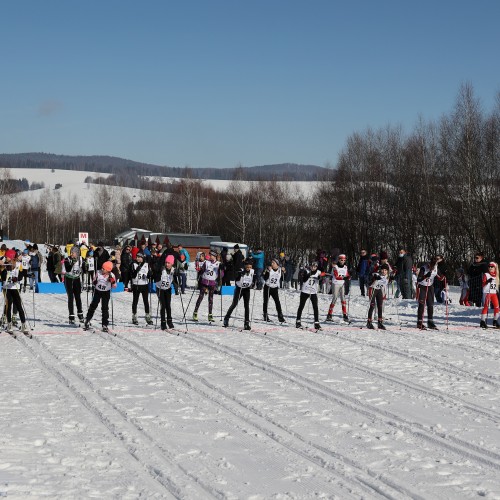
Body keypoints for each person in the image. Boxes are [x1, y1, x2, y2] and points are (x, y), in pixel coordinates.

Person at [1, 249, 29, 334]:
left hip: (15, 287)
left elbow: (21, 275)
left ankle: (23, 324)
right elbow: (2, 277)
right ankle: (9, 324)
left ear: (12, 257)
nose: (6, 258)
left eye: (7, 256)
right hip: (7, 288)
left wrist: (16, 278)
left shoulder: (18, 264)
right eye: (6, 256)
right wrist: (4, 270)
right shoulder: (4, 264)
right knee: (8, 306)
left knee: (19, 306)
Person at [84, 261, 117, 333]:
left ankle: (105, 324)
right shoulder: (98, 273)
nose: (102, 269)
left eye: (104, 269)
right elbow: (93, 281)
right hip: (98, 292)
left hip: (106, 292)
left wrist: (112, 282)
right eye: (102, 268)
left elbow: (114, 286)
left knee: (105, 308)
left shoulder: (111, 275)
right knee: (93, 306)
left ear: (108, 270)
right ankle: (87, 320)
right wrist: (94, 282)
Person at [223, 258, 256, 330]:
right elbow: (235, 279)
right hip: (239, 289)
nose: (248, 268)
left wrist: (254, 283)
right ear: (245, 266)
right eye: (247, 267)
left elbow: (253, 279)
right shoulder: (240, 270)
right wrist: (240, 275)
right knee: (234, 304)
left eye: (250, 267)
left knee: (246, 306)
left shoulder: (252, 271)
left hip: (246, 289)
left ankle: (246, 323)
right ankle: (226, 318)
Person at [416, 256, 445, 330]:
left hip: (430, 287)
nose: (431, 267)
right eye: (430, 265)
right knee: (422, 304)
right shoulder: (423, 268)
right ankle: (419, 322)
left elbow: (440, 277)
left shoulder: (435, 268)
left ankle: (430, 321)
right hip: (422, 286)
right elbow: (418, 279)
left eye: (433, 265)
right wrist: (425, 276)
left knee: (430, 304)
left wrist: (444, 276)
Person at [192, 250, 220, 322]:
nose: (209, 256)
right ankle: (195, 312)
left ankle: (210, 315)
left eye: (211, 255)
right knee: (200, 297)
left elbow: (221, 274)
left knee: (210, 299)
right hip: (204, 282)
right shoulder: (206, 262)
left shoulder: (218, 264)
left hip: (212, 283)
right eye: (210, 255)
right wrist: (199, 270)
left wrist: (222, 271)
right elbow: (202, 270)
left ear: (214, 256)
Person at [295, 261, 322, 330]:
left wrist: (320, 277)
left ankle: (316, 323)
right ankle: (298, 321)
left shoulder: (318, 272)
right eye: (312, 266)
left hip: (313, 292)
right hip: (305, 291)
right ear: (310, 266)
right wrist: (309, 274)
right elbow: (303, 280)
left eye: (315, 266)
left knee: (315, 307)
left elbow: (320, 279)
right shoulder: (306, 271)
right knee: (301, 306)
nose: (313, 268)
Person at [62, 246, 84, 325]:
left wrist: (86, 266)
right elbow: (67, 269)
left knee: (78, 297)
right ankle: (71, 316)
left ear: (77, 253)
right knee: (71, 297)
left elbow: (83, 269)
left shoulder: (81, 259)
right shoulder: (67, 259)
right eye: (71, 252)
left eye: (73, 252)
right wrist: (72, 262)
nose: (71, 254)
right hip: (69, 279)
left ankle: (80, 314)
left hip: (77, 279)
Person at [326, 254, 350, 323]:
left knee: (343, 299)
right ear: (339, 260)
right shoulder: (335, 267)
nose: (343, 261)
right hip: (335, 283)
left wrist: (349, 275)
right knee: (335, 298)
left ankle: (344, 315)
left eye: (344, 260)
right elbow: (336, 276)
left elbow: (347, 274)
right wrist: (344, 277)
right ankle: (329, 314)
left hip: (342, 284)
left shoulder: (345, 267)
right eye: (341, 260)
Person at [130, 252, 153, 325]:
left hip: (144, 285)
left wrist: (150, 275)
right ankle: (134, 317)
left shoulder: (147, 264)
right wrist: (136, 270)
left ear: (142, 258)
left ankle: (147, 317)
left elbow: (150, 274)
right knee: (135, 301)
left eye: (139, 257)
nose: (137, 258)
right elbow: (132, 276)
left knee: (146, 301)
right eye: (137, 257)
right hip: (136, 285)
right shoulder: (133, 264)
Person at [156, 255, 178, 330]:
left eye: (169, 263)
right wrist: (157, 273)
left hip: (168, 289)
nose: (167, 264)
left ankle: (169, 321)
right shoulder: (162, 269)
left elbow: (175, 281)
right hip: (160, 289)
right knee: (163, 306)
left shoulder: (173, 270)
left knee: (168, 306)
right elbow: (156, 277)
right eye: (166, 263)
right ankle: (163, 322)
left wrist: (176, 276)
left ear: (172, 263)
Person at [366, 264, 389, 330]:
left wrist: (391, 279)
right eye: (382, 270)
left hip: (379, 290)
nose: (384, 271)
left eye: (385, 270)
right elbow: (370, 282)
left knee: (380, 306)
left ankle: (380, 322)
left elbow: (385, 284)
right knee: (372, 305)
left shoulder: (387, 276)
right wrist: (374, 278)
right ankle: (369, 322)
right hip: (372, 289)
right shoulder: (376, 274)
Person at [262, 258, 286, 323]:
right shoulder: (269, 269)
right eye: (271, 262)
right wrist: (267, 271)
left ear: (277, 265)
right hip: (268, 287)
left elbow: (284, 279)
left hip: (275, 288)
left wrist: (284, 272)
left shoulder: (280, 270)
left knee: (277, 302)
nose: (272, 264)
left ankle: (280, 316)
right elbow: (265, 278)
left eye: (273, 263)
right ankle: (265, 315)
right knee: (266, 301)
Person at [480, 262, 500, 329]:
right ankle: (483, 321)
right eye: (489, 266)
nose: (490, 268)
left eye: (492, 267)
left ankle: (495, 320)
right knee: (486, 306)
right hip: (487, 293)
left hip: (493, 293)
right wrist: (487, 281)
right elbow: (482, 284)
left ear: (495, 268)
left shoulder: (496, 276)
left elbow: (496, 286)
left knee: (497, 306)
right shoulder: (486, 274)